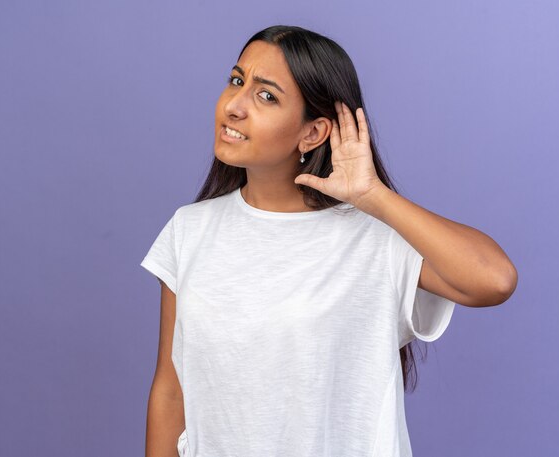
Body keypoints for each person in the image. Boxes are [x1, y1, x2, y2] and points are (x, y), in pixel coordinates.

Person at [141, 25, 517, 457]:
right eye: (236, 81)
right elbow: (171, 391)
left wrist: (374, 196)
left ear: (313, 133)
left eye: (266, 96)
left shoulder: (375, 237)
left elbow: (495, 279)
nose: (234, 106)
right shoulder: (189, 231)